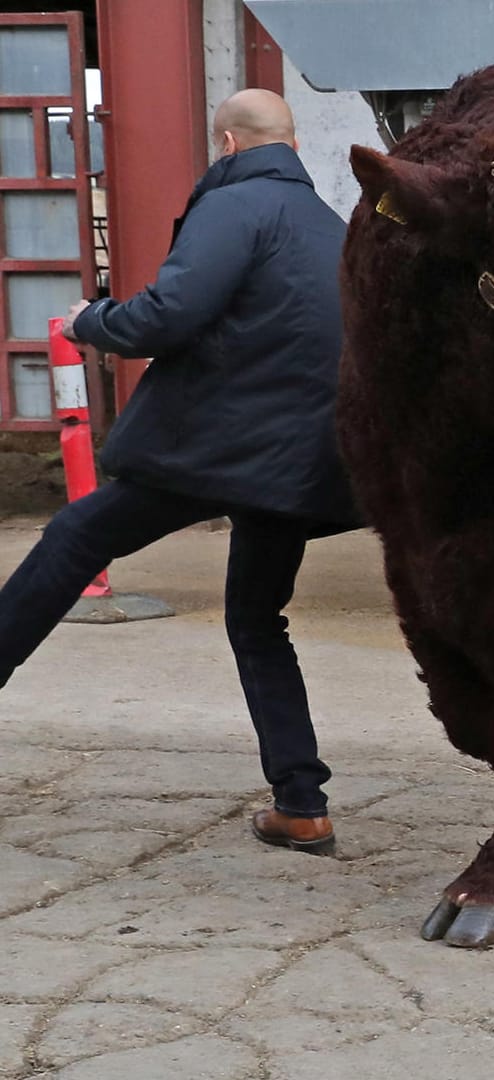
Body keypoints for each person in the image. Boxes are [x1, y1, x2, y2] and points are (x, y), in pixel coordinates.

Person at [0, 89, 356, 856]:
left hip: (221, 447)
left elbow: (169, 312)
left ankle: (301, 799)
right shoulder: (331, 227)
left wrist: (93, 319)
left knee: (73, 538)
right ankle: (301, 803)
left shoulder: (236, 206)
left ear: (226, 143)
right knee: (259, 620)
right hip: (300, 461)